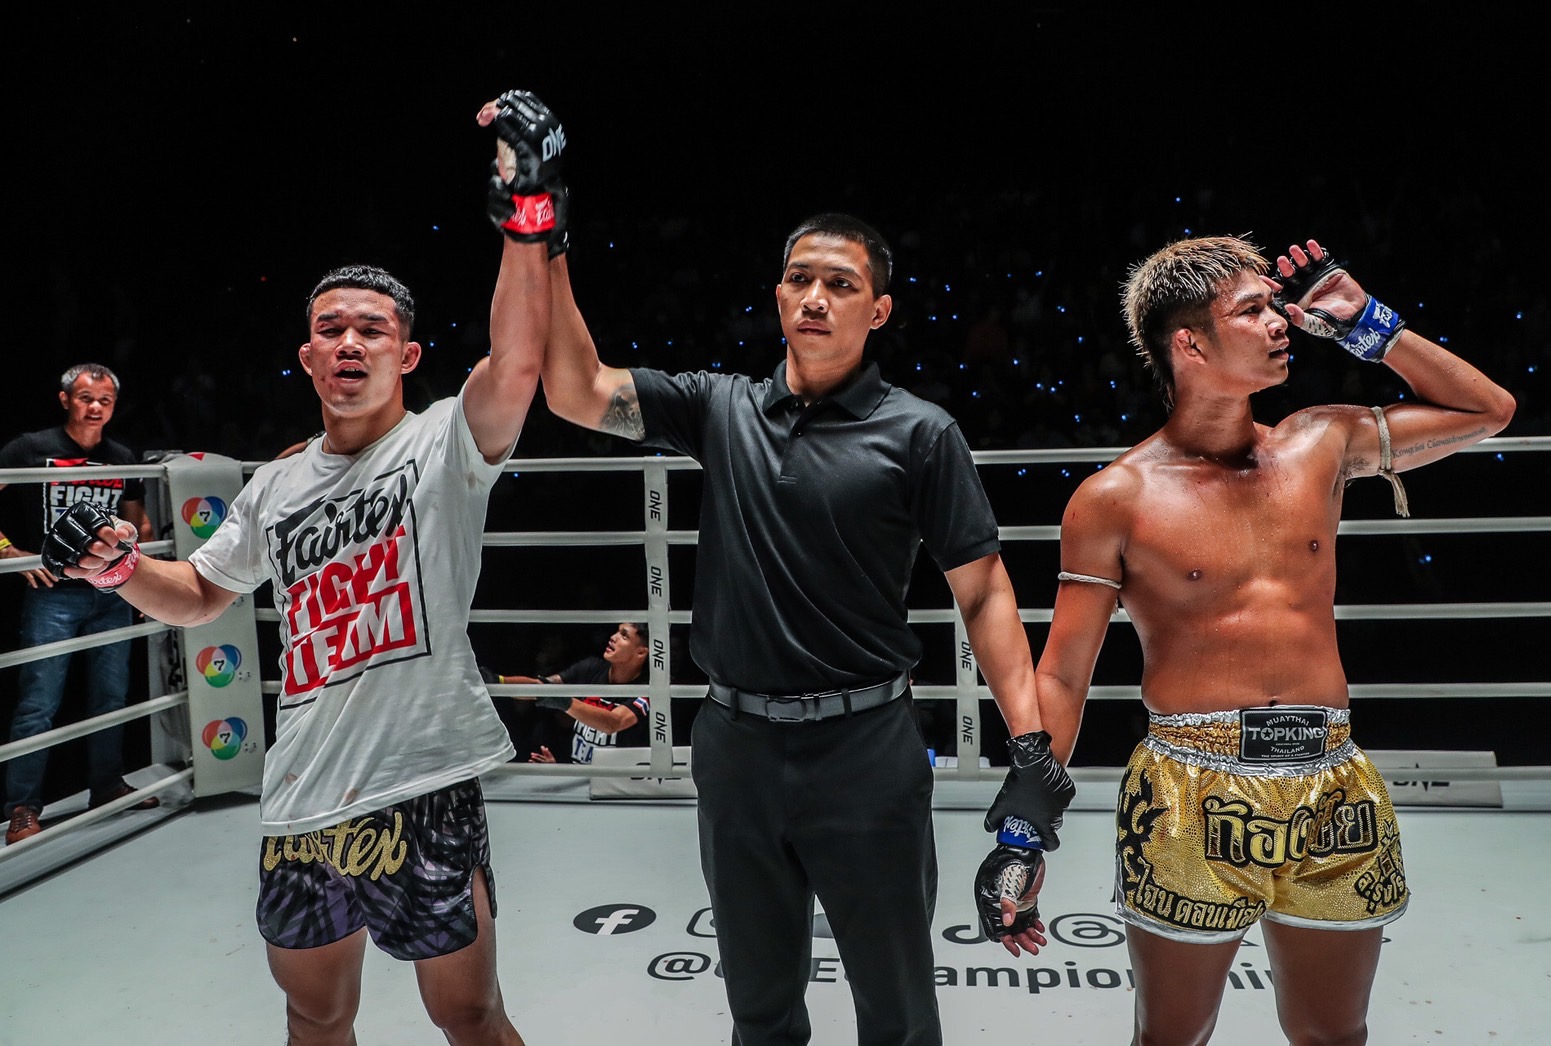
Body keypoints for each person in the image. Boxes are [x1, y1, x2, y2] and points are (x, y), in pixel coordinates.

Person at [508, 83, 1051, 1043]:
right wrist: (541, 226)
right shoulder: (721, 408)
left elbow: (984, 593)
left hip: (867, 750)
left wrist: (1031, 746)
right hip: (737, 747)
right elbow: (574, 388)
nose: (815, 297)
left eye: (840, 283)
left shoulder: (920, 434)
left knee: (898, 1011)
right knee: (759, 1009)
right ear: (778, 296)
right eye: (800, 278)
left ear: (879, 310)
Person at [41, 89, 569, 1044]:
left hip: (423, 780)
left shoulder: (445, 441)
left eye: (371, 328)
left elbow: (517, 361)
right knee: (315, 1016)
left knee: (468, 1014)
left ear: (407, 352)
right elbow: (198, 594)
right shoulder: (274, 488)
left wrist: (527, 216)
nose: (350, 341)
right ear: (307, 355)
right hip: (303, 797)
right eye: (331, 328)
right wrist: (114, 570)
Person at [1018, 235, 1515, 1044]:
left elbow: (1488, 410)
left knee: (1335, 1035)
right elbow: (1065, 675)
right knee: (1171, 1037)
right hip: (1189, 788)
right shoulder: (1115, 497)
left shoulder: (1319, 442)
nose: (1282, 321)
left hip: (1331, 780)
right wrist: (1025, 824)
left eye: (1276, 306)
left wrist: (1372, 325)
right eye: (1253, 310)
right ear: (1189, 344)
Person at [1, 363, 158, 845]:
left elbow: (139, 524)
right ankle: (22, 808)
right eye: (87, 398)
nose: (96, 408)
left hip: (110, 591)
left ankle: (107, 785)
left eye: (105, 401)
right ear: (65, 399)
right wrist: (7, 550)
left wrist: (142, 570)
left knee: (110, 697)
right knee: (38, 702)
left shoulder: (121, 457)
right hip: (52, 594)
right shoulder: (31, 448)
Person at [486, 622, 652, 765]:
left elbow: (613, 723)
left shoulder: (648, 690)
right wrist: (498, 681)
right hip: (579, 778)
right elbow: (540, 687)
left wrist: (564, 701)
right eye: (617, 631)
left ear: (641, 652)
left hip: (619, 784)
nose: (613, 637)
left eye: (624, 636)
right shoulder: (591, 668)